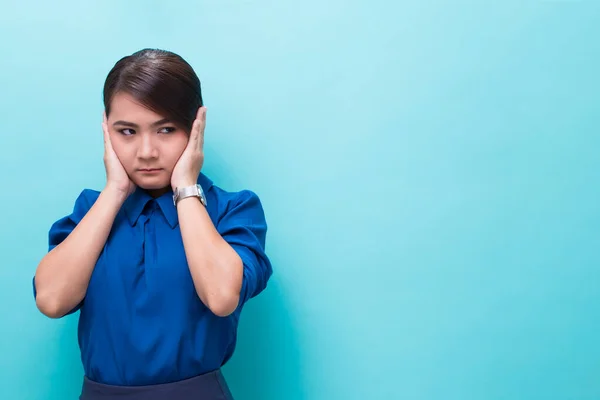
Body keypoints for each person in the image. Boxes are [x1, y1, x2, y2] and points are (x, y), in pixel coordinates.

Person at [32, 48, 273, 400]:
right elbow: (51, 300)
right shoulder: (90, 210)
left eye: (166, 129)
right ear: (106, 130)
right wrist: (114, 190)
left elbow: (222, 297)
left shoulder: (232, 210)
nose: (146, 151)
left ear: (195, 128)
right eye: (127, 131)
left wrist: (185, 188)